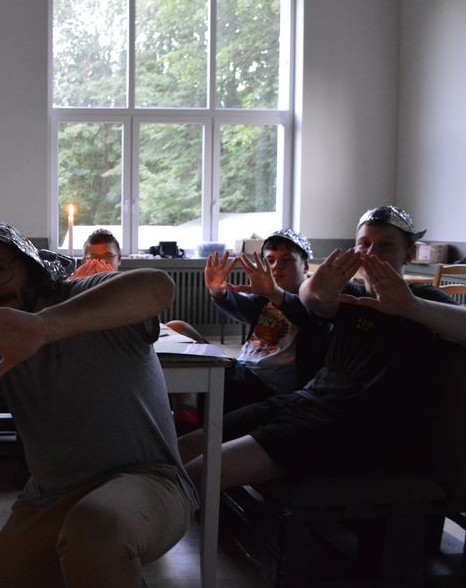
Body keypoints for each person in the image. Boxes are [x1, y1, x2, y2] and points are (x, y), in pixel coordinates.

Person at [0, 220, 197, 587]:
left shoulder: (83, 294)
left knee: (94, 531)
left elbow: (158, 287)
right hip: (51, 498)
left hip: (150, 480)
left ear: (28, 264)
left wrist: (42, 327)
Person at [179, 206, 458, 496]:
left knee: (196, 474)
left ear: (409, 254)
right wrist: (306, 289)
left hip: (348, 427)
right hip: (303, 402)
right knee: (184, 448)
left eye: (385, 245)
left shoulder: (425, 299)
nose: (372, 253)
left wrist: (411, 307)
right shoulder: (349, 296)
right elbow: (310, 298)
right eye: (364, 244)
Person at [170, 230, 330, 433]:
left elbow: (306, 317)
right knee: (178, 328)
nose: (276, 266)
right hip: (242, 371)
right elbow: (239, 304)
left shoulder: (316, 302)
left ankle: (185, 421)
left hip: (266, 388)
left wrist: (274, 293)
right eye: (270, 260)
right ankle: (187, 414)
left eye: (286, 260)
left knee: (191, 375)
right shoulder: (265, 300)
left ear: (305, 265)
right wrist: (217, 291)